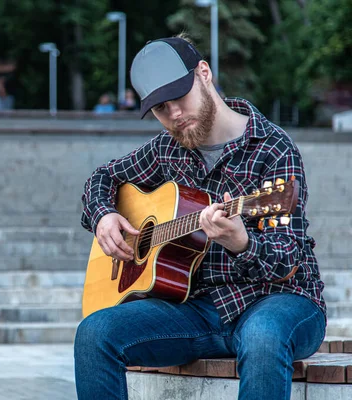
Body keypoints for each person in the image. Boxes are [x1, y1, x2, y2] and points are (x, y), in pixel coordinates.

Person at [75, 35, 326, 400]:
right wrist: (103, 216)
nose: (174, 114)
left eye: (179, 97)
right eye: (161, 109)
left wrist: (242, 242)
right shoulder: (166, 148)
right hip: (194, 309)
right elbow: (102, 178)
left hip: (278, 300)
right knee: (94, 334)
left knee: (263, 336)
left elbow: (288, 258)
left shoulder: (273, 149)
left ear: (204, 73)